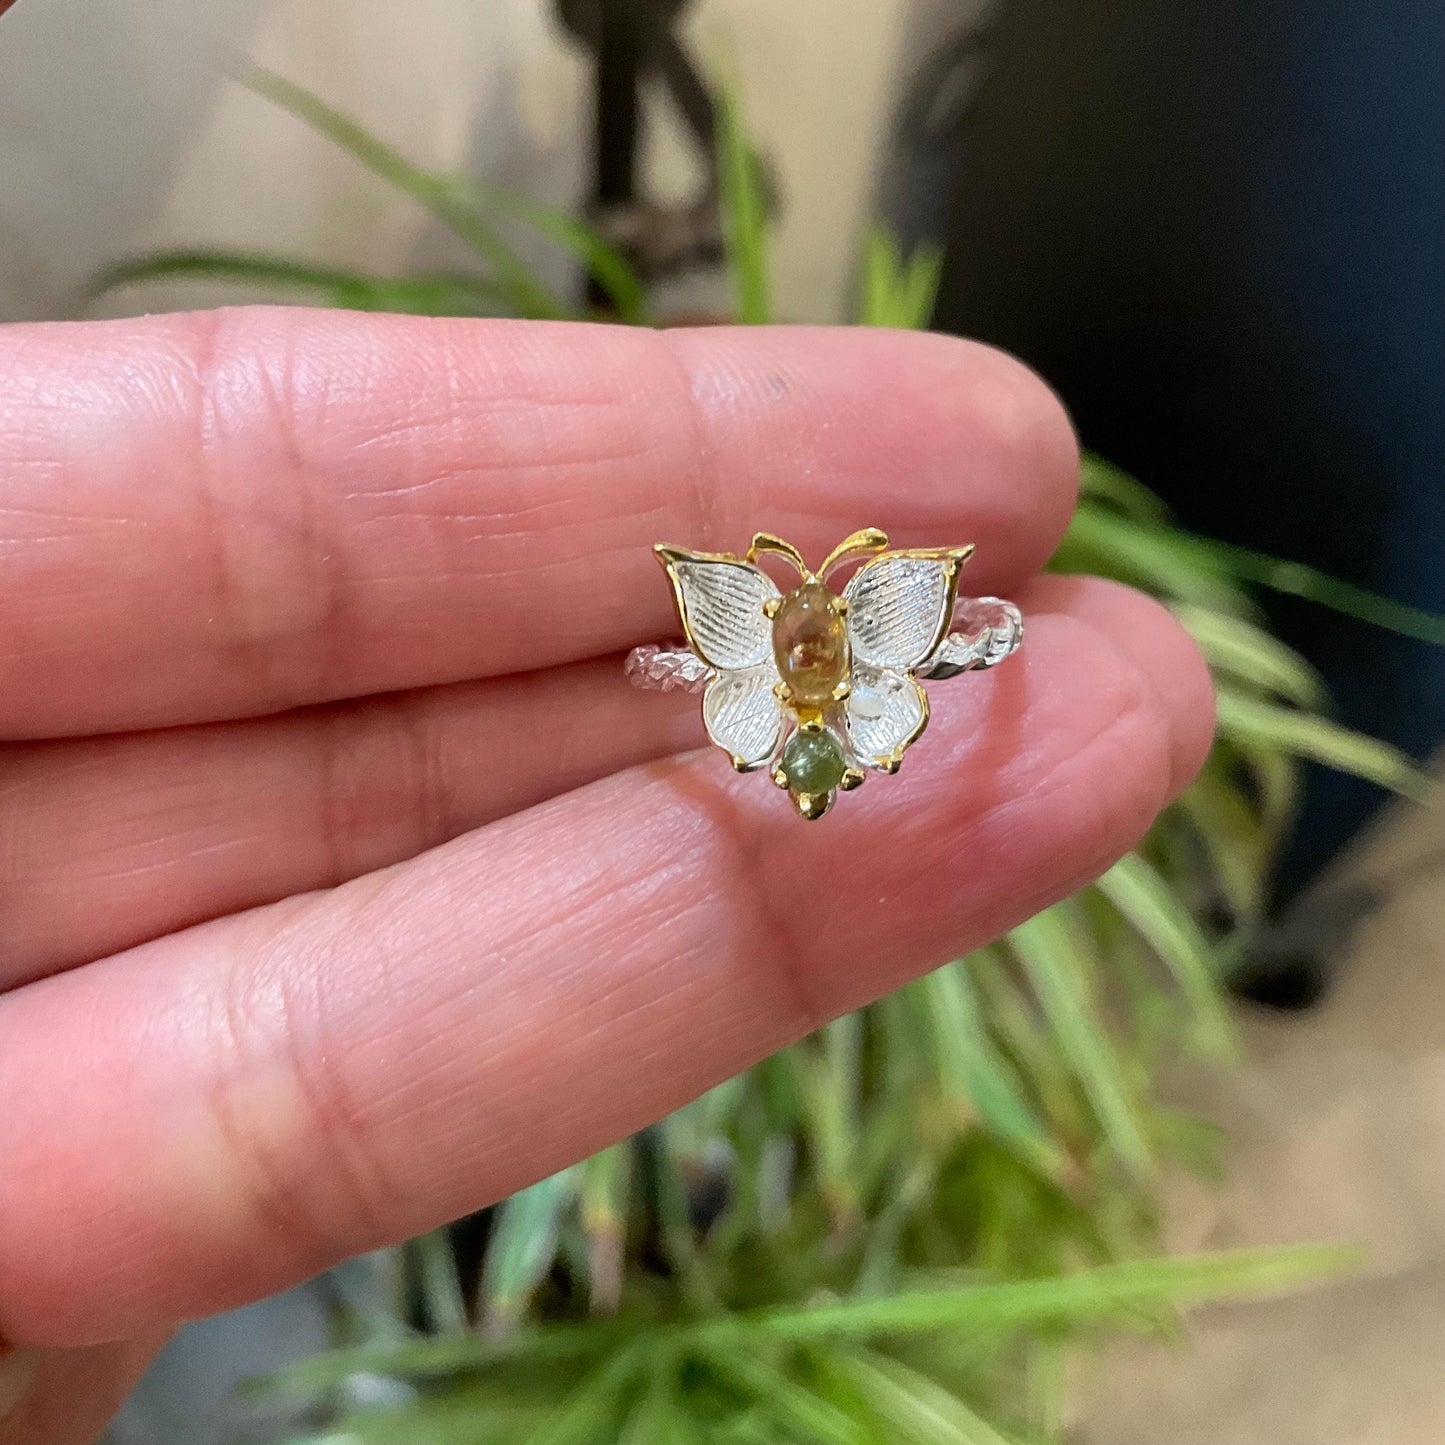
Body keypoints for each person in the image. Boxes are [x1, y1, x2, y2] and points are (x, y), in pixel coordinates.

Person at [0, 309, 1211, 1442]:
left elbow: (948, 645)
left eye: (823, 636)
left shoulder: (868, 651)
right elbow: (677, 667)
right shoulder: (737, 650)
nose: (806, 640)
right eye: (790, 635)